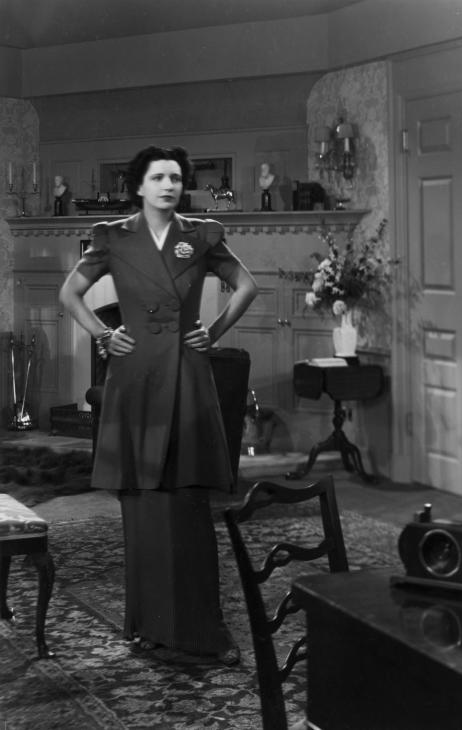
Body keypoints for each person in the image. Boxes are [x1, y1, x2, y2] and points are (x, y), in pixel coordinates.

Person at [59, 145, 259, 665]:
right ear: (140, 186)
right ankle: (149, 626)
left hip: (188, 376)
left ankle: (198, 631)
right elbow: (69, 294)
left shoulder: (202, 234)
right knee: (142, 504)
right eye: (159, 177)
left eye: (176, 177)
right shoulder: (114, 236)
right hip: (135, 378)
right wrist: (104, 336)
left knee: (188, 505)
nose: (169, 185)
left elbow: (247, 285)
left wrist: (211, 332)